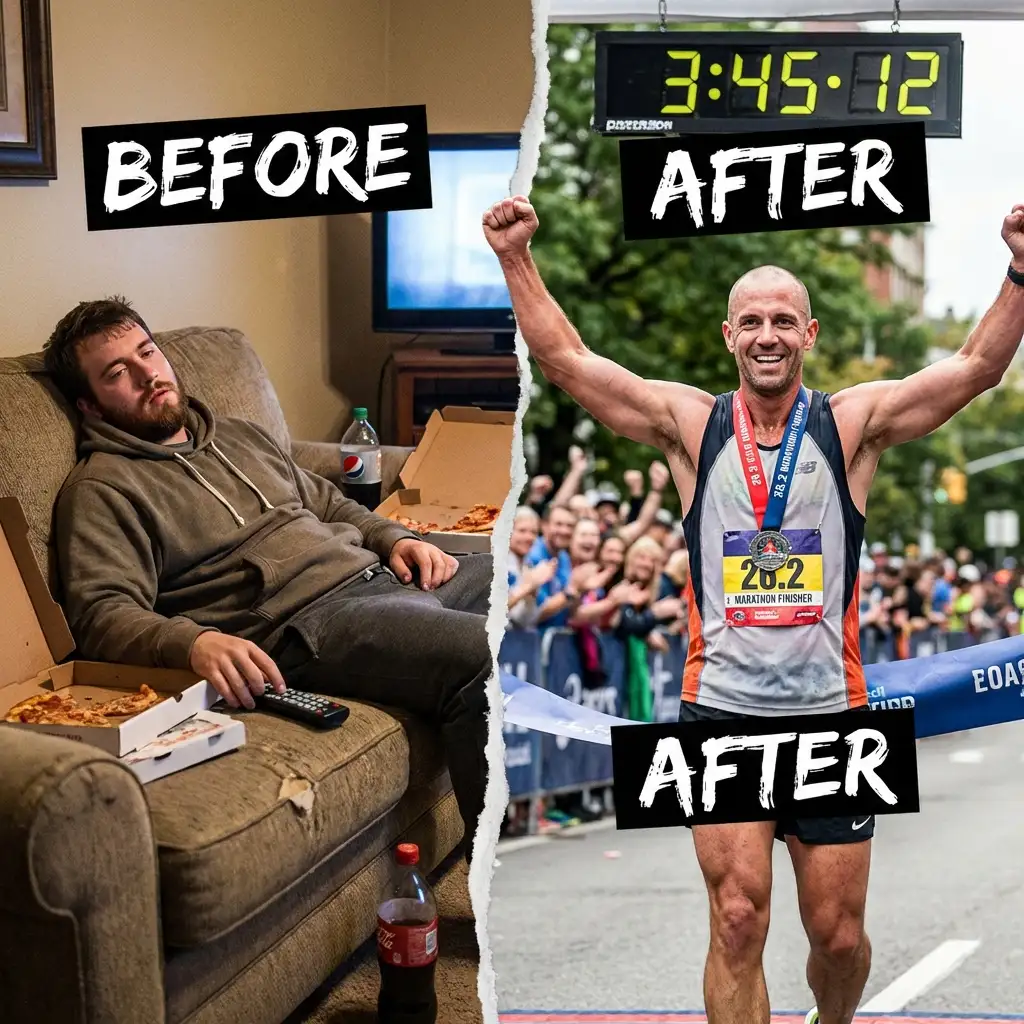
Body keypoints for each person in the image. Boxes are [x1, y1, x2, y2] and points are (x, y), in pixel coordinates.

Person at [482, 194, 1024, 1024]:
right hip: (721, 712)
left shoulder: (852, 427)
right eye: (750, 321)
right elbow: (569, 361)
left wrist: (1020, 267)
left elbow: (976, 368)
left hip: (833, 715)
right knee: (737, 920)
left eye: (782, 319)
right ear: (729, 337)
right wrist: (516, 256)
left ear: (808, 335)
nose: (766, 334)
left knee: (838, 937)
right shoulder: (690, 426)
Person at [44, 298, 495, 859]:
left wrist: (394, 538)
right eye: (118, 373)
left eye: (147, 352)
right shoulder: (102, 491)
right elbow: (101, 613)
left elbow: (329, 502)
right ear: (89, 404)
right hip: (308, 625)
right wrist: (195, 641)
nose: (148, 375)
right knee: (488, 652)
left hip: (380, 576)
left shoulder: (237, 436)